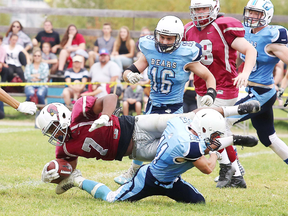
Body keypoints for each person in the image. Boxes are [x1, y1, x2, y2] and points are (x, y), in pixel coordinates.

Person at [38, 94, 260, 195]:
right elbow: (69, 170)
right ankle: (229, 142)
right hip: (136, 151)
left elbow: (111, 98)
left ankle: (237, 110)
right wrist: (54, 174)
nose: (53, 134)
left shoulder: (79, 111)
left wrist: (105, 116)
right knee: (192, 149)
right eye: (49, 132)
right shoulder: (64, 148)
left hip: (137, 125)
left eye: (52, 127)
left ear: (63, 116)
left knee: (190, 116)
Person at [115, 15, 217, 185]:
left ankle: (172, 176)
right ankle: (133, 171)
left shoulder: (186, 55)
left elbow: (209, 76)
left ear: (178, 38)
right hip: (153, 104)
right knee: (139, 141)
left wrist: (210, 94)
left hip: (174, 108)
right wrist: (130, 76)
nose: (163, 41)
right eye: (161, 37)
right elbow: (131, 69)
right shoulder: (150, 48)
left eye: (169, 38)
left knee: (170, 143)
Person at [50, 110, 227, 203]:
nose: (215, 138)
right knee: (111, 199)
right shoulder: (188, 146)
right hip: (148, 179)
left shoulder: (180, 125)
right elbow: (208, 168)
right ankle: (77, 180)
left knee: (199, 202)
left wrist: (213, 145)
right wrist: (215, 151)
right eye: (214, 134)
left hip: (171, 180)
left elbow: (195, 145)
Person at [184, 0, 257, 188]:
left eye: (204, 8)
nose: (200, 13)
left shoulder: (223, 26)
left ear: (214, 7)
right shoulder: (188, 29)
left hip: (224, 86)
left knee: (212, 129)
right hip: (203, 88)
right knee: (215, 131)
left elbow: (250, 50)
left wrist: (245, 73)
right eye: (196, 9)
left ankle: (229, 168)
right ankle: (237, 174)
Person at [228, 0, 288, 168]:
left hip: (263, 93)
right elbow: (242, 57)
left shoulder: (272, 37)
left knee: (223, 122)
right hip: (250, 90)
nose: (252, 16)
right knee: (268, 138)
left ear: (267, 15)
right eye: (250, 12)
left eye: (257, 13)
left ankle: (233, 169)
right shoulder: (245, 31)